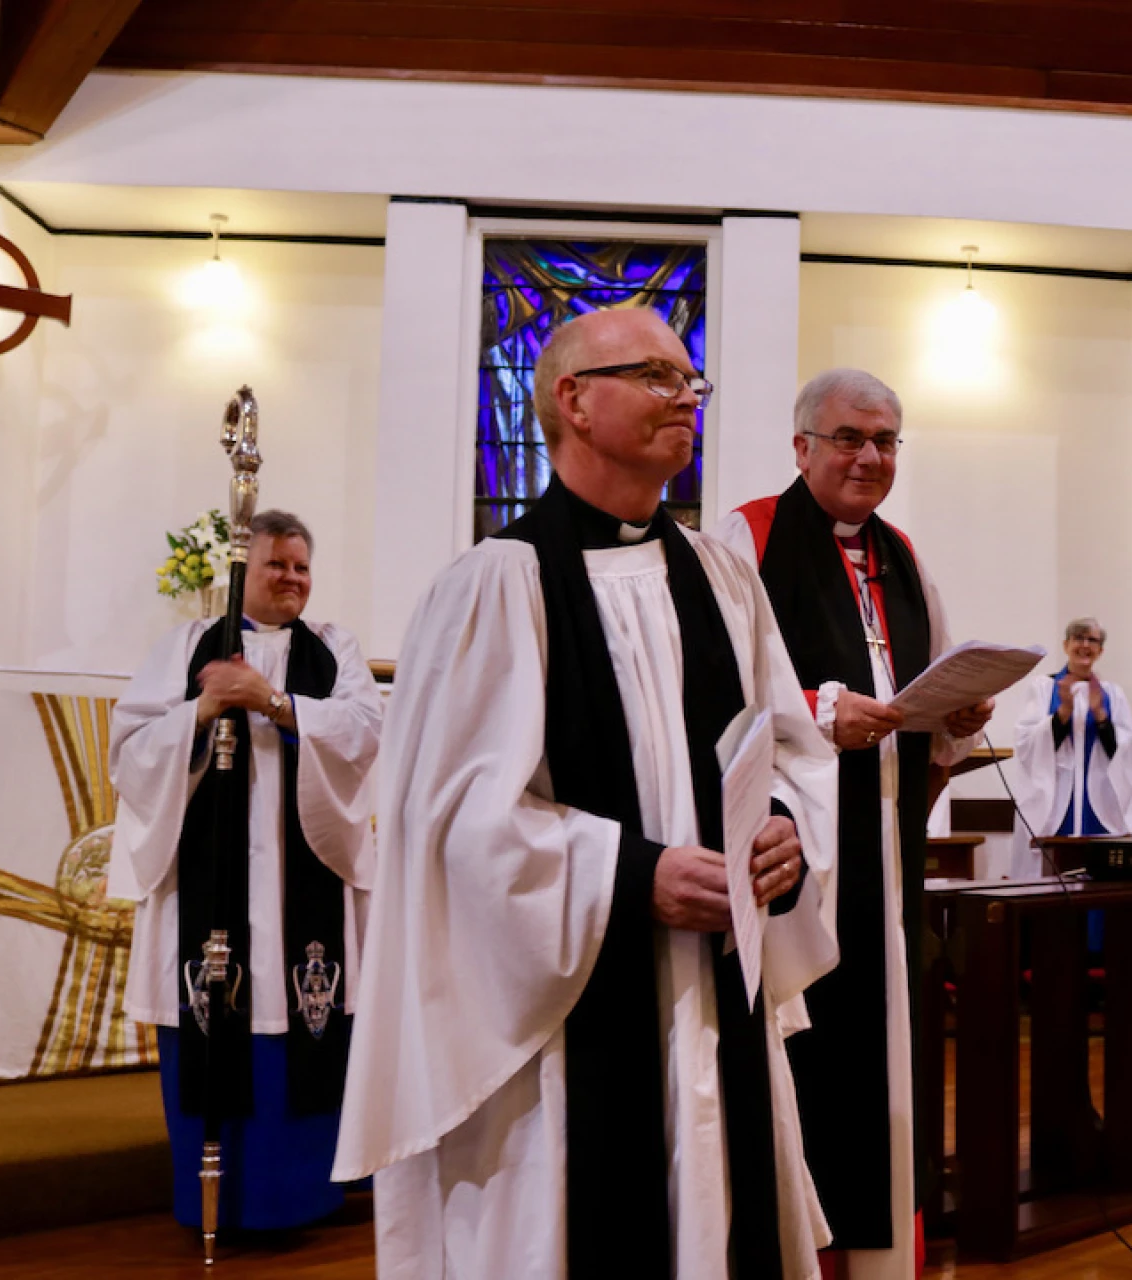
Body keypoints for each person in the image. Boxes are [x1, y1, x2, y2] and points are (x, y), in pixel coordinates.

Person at [334, 310, 840, 1280]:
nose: (686, 398)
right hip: (567, 1026)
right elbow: (447, 822)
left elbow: (788, 745)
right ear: (573, 399)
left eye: (692, 381)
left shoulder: (723, 578)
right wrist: (632, 874)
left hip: (716, 997)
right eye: (658, 376)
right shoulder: (494, 585)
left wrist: (784, 829)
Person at [718, 368, 992, 1280]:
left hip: (887, 844)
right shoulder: (749, 537)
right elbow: (714, 692)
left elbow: (927, 679)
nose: (869, 457)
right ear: (802, 447)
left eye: (884, 441)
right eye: (848, 438)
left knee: (886, 1055)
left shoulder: (902, 555)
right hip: (795, 858)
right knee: (811, 1058)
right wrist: (818, 711)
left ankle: (877, 1259)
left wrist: (954, 715)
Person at [107, 510, 383, 1234]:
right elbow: (130, 752)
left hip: (304, 875)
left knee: (305, 1017)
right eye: (276, 564)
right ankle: (219, 1203)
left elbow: (365, 731)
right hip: (211, 873)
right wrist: (203, 710)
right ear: (242, 571)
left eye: (301, 566)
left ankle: (301, 1196)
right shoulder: (185, 647)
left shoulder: (334, 647)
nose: (292, 578)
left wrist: (272, 702)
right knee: (217, 1012)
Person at [1009, 617, 1132, 878]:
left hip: (1100, 804)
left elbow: (1128, 752)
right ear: (1066, 645)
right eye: (1078, 638)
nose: (1085, 645)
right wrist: (1063, 712)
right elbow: (1025, 743)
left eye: (1092, 640)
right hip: (1054, 802)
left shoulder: (1112, 694)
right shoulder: (1044, 687)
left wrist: (1100, 715)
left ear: (1100, 650)